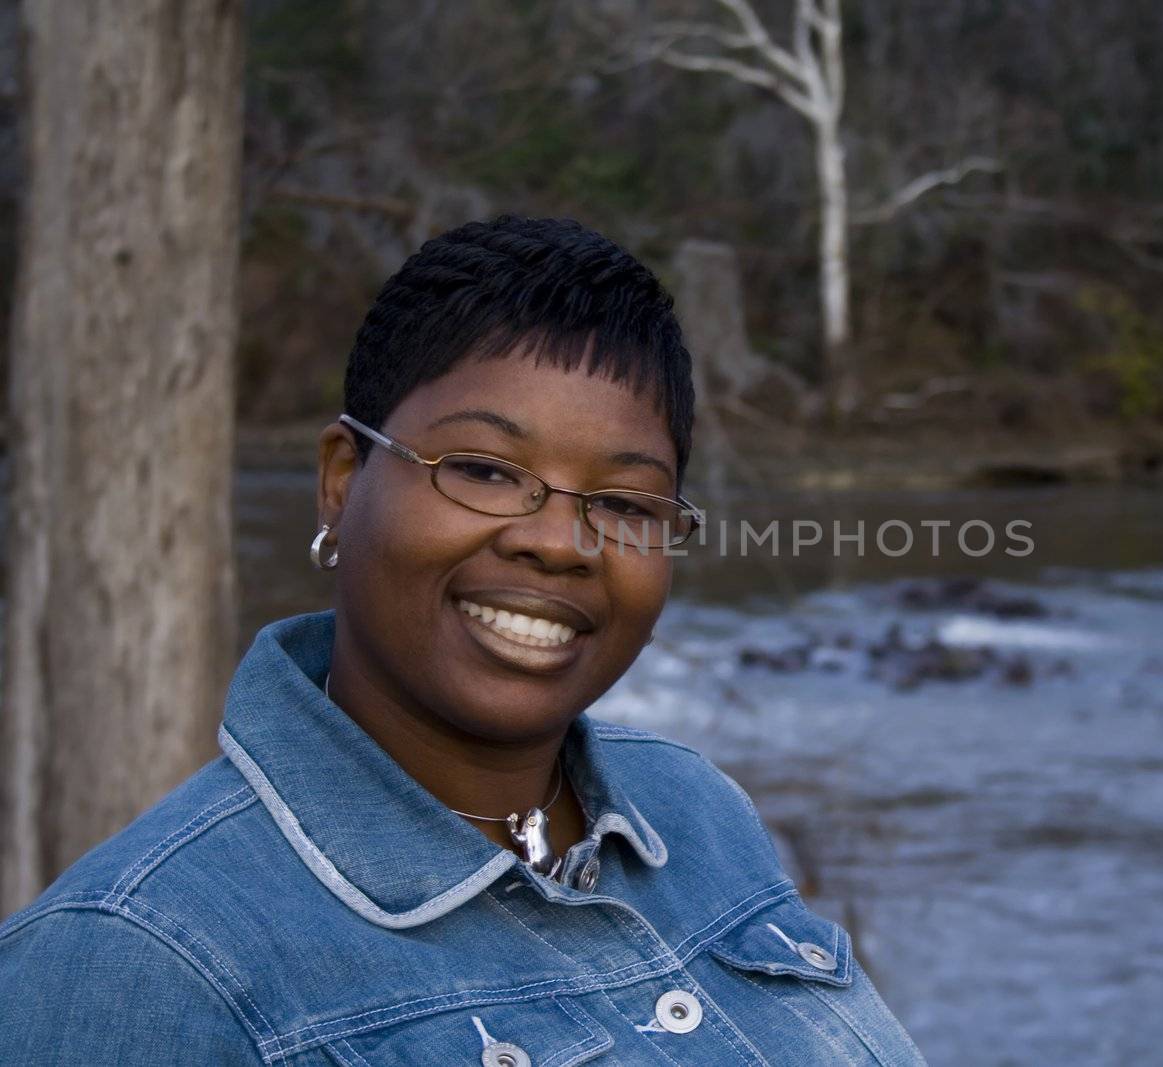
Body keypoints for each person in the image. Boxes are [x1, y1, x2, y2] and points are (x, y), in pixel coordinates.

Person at [0, 216, 926, 1065]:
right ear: (340, 479)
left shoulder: (694, 813)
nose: (561, 541)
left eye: (622, 501)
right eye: (482, 470)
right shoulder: (138, 960)